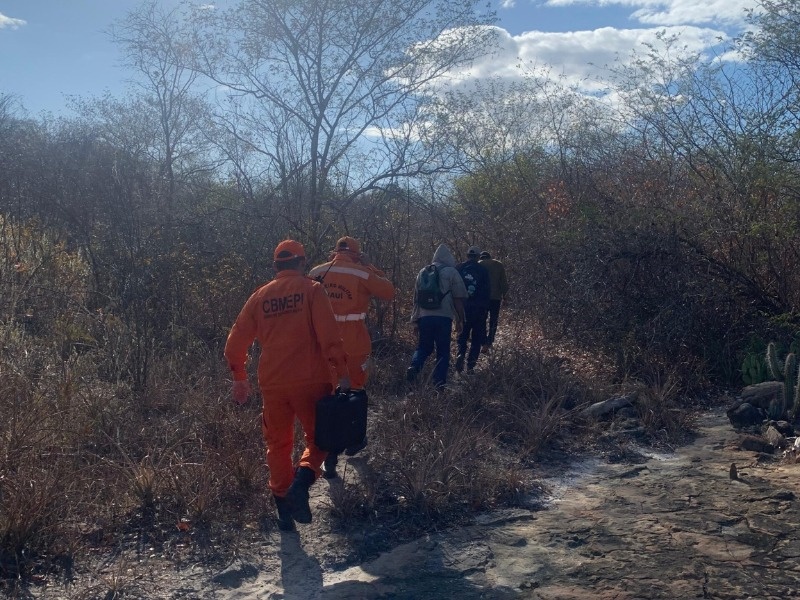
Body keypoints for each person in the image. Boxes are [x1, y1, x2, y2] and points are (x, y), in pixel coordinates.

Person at [224, 239, 351, 532]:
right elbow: (330, 338)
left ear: (275, 266)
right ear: (302, 263)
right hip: (312, 380)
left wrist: (239, 378)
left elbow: (234, 344)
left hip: (273, 383)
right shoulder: (312, 290)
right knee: (321, 439)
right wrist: (343, 373)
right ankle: (302, 482)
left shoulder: (259, 297)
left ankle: (283, 509)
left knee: (277, 444)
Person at [308, 236, 395, 479]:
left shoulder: (317, 271)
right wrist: (370, 266)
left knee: (329, 393)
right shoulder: (362, 272)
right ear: (357, 253)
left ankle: (329, 455)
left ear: (334, 252)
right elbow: (389, 292)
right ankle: (355, 439)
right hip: (354, 341)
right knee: (355, 390)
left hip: (322, 342)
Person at [407, 244, 467, 388]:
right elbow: (459, 298)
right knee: (443, 351)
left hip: (424, 317)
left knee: (423, 347)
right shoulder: (451, 272)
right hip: (444, 317)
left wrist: (415, 321)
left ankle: (414, 367)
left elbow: (416, 299)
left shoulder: (422, 272)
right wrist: (460, 319)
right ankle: (439, 383)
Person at [455, 246, 491, 373]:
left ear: (467, 255)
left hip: (463, 308)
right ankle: (470, 365)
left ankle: (460, 355)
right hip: (479, 309)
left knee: (462, 335)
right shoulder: (483, 270)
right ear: (477, 257)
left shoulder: (458, 268)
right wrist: (487, 309)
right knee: (476, 337)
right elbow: (487, 292)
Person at [478, 250, 509, 348]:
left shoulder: (478, 265)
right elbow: (503, 282)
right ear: (490, 257)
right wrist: (505, 297)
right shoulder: (498, 264)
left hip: (482, 298)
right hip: (495, 297)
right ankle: (490, 340)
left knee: (482, 319)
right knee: (493, 319)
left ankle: (483, 341)